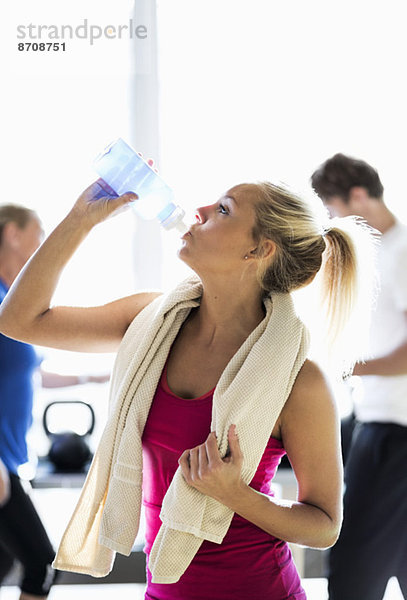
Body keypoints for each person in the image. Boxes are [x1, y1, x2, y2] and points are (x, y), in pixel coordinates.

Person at [0, 177, 374, 600]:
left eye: (224, 210)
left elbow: (324, 524)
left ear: (259, 250)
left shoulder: (298, 379)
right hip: (163, 592)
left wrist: (236, 495)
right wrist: (80, 219)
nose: (200, 210)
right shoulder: (149, 324)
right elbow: (18, 320)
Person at [0, 204, 109, 600]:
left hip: (12, 458)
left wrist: (92, 376)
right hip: (0, 463)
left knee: (4, 564)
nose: (43, 242)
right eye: (38, 230)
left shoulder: (13, 302)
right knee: (41, 563)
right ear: (12, 233)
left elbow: (27, 373)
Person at [311, 153, 407, 600]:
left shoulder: (402, 250)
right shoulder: (385, 252)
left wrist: (347, 365)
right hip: (379, 424)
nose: (335, 221)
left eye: (334, 210)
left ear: (358, 196)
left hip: (393, 433)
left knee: (351, 568)